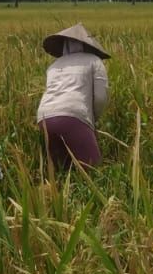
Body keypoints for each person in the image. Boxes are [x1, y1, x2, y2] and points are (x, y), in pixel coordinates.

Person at [35, 23, 109, 169]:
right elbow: (101, 97)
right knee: (92, 168)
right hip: (74, 116)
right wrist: (93, 120)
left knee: (60, 170)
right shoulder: (94, 61)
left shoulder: (54, 66)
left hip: (44, 117)